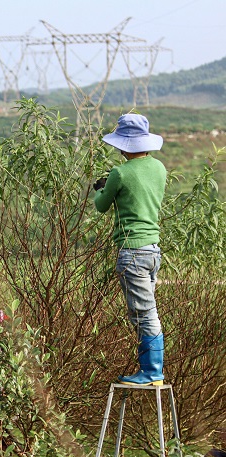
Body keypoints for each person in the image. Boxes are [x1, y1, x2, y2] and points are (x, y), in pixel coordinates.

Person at [94, 113, 167, 386]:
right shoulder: (159, 168)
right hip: (152, 251)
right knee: (148, 310)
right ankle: (152, 370)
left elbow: (101, 206)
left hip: (132, 252)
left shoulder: (119, 173)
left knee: (144, 314)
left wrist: (100, 190)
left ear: (124, 145)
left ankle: (152, 372)